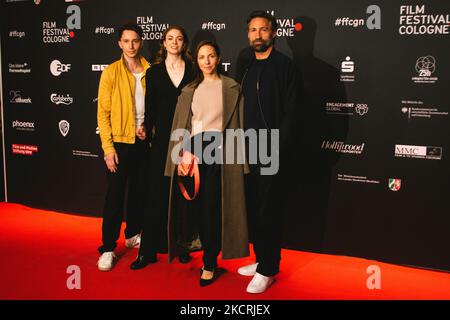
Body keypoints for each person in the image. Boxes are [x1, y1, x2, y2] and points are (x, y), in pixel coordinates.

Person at [164, 41, 249, 286]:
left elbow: (240, 126)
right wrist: (183, 153)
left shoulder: (231, 87)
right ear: (197, 61)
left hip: (223, 150)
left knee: (214, 207)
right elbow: (183, 125)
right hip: (196, 151)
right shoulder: (190, 90)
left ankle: (209, 262)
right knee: (198, 207)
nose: (207, 61)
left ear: (218, 58)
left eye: (211, 56)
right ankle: (196, 250)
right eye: (202, 57)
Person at [237, 10, 301, 293]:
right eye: (253, 30)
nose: (258, 35)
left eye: (263, 30)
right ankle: (261, 259)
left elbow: (292, 112)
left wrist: (279, 146)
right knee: (253, 208)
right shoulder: (246, 65)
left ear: (274, 33)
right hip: (247, 148)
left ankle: (268, 269)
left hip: (273, 150)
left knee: (269, 210)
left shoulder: (286, 66)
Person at [130, 26, 195, 269]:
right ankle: (147, 252)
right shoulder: (154, 72)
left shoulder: (193, 71)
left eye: (179, 38)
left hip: (187, 140)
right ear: (163, 43)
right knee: (155, 194)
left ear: (184, 43)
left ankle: (181, 247)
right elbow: (150, 107)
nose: (174, 42)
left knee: (182, 194)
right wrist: (145, 127)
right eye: (170, 38)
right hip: (160, 143)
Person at [96, 22, 150, 271]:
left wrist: (149, 129)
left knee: (140, 193)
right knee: (115, 197)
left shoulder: (152, 70)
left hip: (143, 142)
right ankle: (108, 248)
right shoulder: (111, 72)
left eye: (135, 40)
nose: (131, 45)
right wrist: (108, 148)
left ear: (141, 42)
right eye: (126, 41)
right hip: (119, 143)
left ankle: (133, 235)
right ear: (119, 43)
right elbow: (102, 113)